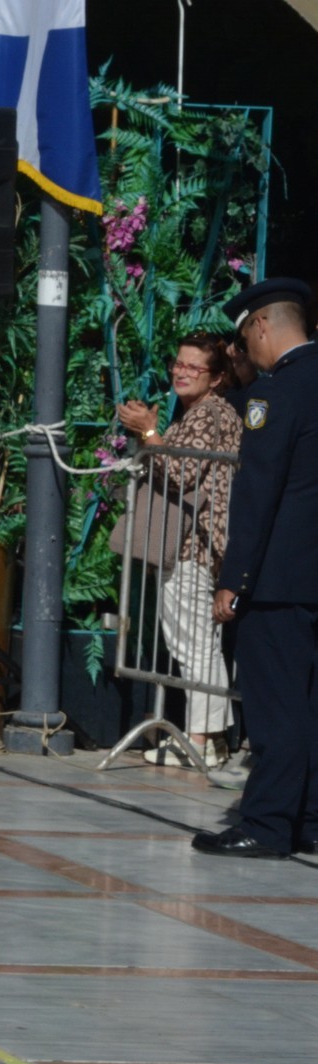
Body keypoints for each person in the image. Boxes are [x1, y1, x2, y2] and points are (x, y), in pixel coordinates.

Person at [197, 277, 318, 859]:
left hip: (279, 579)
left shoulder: (278, 393)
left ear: (262, 325)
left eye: (246, 337)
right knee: (311, 705)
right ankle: (309, 818)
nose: (247, 349)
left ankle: (267, 824)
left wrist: (234, 580)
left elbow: (258, 493)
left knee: (276, 708)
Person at [117, 336, 241, 768]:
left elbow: (179, 474)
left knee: (193, 643)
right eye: (178, 364)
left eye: (194, 367)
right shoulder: (207, 411)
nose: (181, 372)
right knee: (195, 641)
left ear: (217, 378)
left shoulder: (209, 413)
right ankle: (208, 740)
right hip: (195, 541)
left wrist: (149, 432)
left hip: (192, 542)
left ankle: (201, 741)